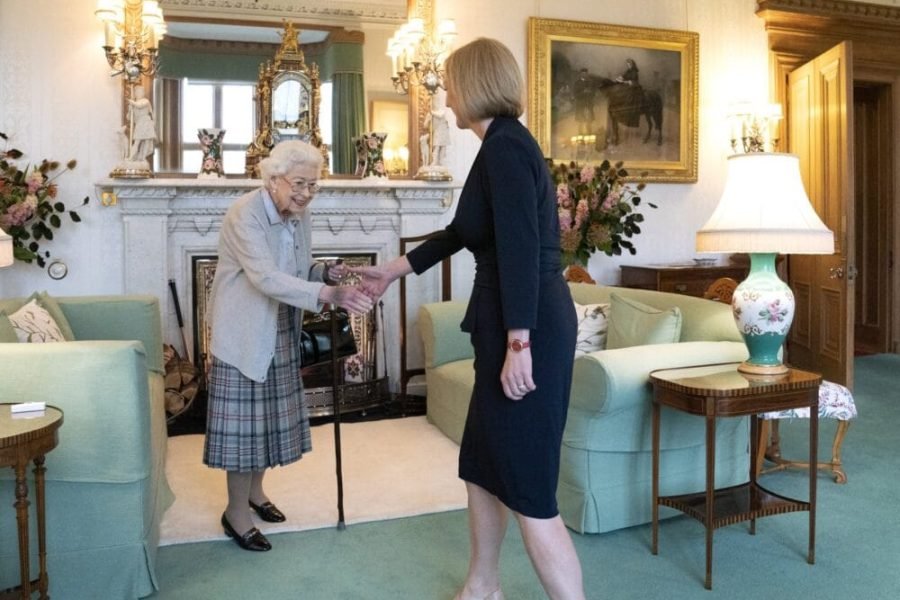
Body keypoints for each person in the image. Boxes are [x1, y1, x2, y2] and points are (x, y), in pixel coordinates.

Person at [353, 38, 584, 600]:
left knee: (530, 487)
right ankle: (482, 587)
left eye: (450, 83)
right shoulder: (497, 146)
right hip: (506, 321)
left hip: (527, 325)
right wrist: (392, 270)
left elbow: (522, 251)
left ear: (475, 85)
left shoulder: (505, 149)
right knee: (481, 463)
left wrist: (519, 344)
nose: (445, 95)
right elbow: (462, 234)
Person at [202, 140, 373, 552]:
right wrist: (328, 295)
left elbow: (295, 269)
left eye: (313, 186)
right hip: (244, 331)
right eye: (300, 184)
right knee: (245, 431)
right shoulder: (245, 214)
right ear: (273, 179)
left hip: (279, 325)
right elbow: (263, 277)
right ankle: (236, 513)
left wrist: (325, 271)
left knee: (268, 424)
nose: (306, 193)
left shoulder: (299, 215)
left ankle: (256, 495)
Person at [128, 85, 156, 162]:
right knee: (137, 142)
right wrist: (130, 110)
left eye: (140, 92)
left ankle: (143, 158)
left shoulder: (145, 101)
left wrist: (132, 103)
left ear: (143, 93)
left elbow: (140, 106)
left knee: (147, 141)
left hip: (146, 122)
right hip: (139, 123)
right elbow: (129, 118)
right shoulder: (134, 103)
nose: (139, 93)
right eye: (137, 92)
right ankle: (131, 157)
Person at [573, 67, 594, 135]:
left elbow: (594, 94)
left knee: (589, 122)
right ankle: (580, 137)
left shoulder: (590, 82)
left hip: (588, 104)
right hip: (580, 105)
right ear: (580, 74)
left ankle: (589, 136)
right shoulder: (577, 83)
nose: (584, 75)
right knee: (581, 122)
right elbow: (575, 95)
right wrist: (583, 92)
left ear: (587, 74)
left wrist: (590, 93)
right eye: (583, 74)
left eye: (586, 74)